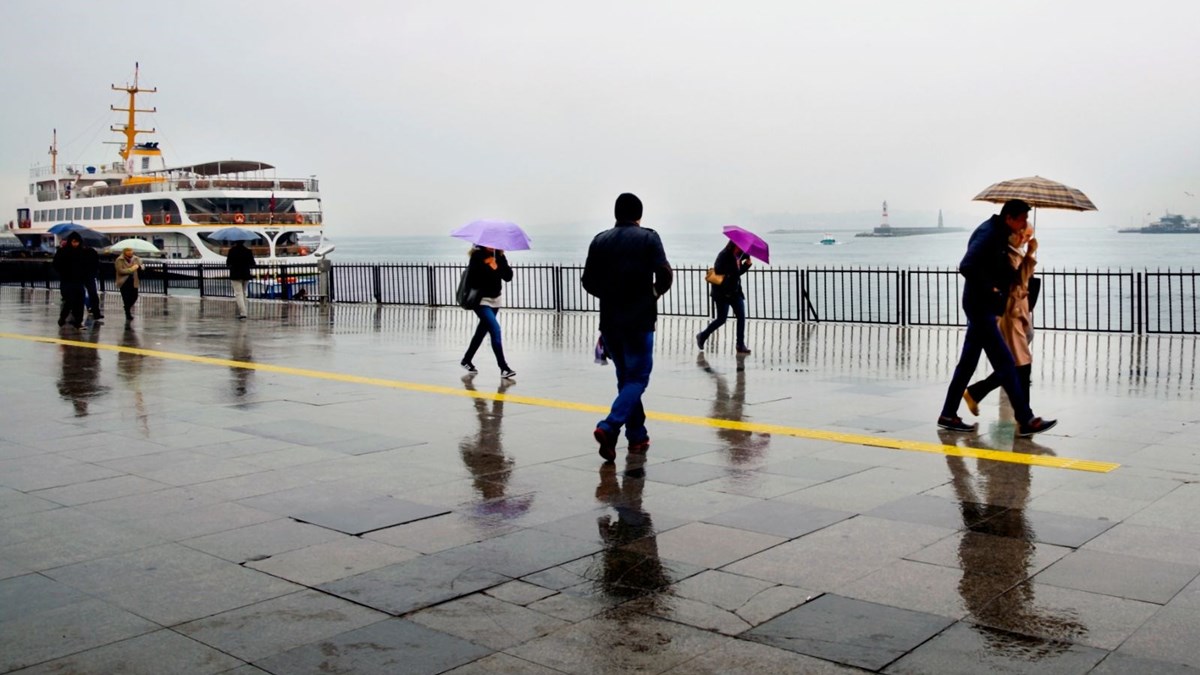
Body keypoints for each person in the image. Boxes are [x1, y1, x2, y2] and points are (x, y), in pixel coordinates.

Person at [938, 199, 1055, 437]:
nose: (1024, 223)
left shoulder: (999, 232)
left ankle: (948, 414)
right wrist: (991, 287)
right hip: (981, 307)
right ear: (1010, 217)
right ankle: (1025, 419)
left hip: (982, 307)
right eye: (1022, 219)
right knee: (1005, 363)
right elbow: (967, 265)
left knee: (968, 363)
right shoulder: (990, 233)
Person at [582, 193, 674, 461]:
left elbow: (588, 281)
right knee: (638, 378)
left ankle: (637, 437)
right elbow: (665, 273)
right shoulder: (649, 237)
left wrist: (611, 294)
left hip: (610, 321)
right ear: (639, 215)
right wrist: (653, 293)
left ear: (616, 214)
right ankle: (609, 426)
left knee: (625, 378)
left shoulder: (599, 240)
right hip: (640, 319)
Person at [964, 224, 1038, 415]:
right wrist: (1030, 255)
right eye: (1022, 233)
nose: (1025, 238)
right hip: (1011, 316)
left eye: (1029, 235)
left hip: (1018, 315)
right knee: (1018, 365)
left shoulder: (1017, 253)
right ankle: (1025, 416)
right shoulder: (1009, 255)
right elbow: (1016, 284)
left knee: (1015, 364)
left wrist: (1028, 256)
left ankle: (977, 392)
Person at [460, 245, 516, 379]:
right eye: (489, 243)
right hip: (481, 300)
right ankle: (504, 368)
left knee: (481, 331)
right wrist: (489, 266)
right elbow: (473, 280)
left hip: (495, 299)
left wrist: (498, 266)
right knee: (495, 329)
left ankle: (466, 360)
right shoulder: (477, 257)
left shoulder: (500, 256)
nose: (492, 246)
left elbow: (508, 277)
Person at [696, 240, 752, 354]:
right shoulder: (723, 255)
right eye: (739, 246)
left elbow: (737, 274)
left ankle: (740, 345)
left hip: (735, 292)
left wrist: (746, 265)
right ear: (733, 245)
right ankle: (702, 336)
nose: (741, 248)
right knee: (721, 319)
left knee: (741, 317)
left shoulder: (740, 255)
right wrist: (735, 267)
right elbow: (718, 271)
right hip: (722, 293)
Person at [52, 232, 88, 328]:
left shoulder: (82, 252)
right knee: (69, 301)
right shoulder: (63, 252)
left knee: (80, 302)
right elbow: (56, 264)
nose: (76, 244)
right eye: (74, 242)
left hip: (79, 282)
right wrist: (64, 272)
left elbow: (86, 266)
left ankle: (78, 322)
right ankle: (62, 318)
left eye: (77, 242)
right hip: (67, 281)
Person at [225, 240, 255, 319]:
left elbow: (228, 263)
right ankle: (244, 310)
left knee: (238, 294)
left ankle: (243, 313)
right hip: (245, 274)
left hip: (235, 275)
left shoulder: (232, 251)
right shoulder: (248, 251)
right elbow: (252, 263)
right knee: (244, 293)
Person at [114, 247, 142, 322]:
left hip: (134, 280)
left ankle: (127, 307)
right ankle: (128, 313)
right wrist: (131, 269)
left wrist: (140, 267)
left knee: (134, 296)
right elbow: (120, 271)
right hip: (124, 281)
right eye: (128, 251)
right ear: (124, 252)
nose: (130, 252)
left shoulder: (136, 258)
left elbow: (142, 266)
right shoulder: (119, 259)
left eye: (131, 250)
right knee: (126, 298)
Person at [81, 241, 103, 320]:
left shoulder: (91, 252)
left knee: (93, 294)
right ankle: (94, 311)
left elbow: (96, 263)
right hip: (85, 275)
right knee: (90, 294)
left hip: (88, 275)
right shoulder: (90, 252)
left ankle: (95, 311)